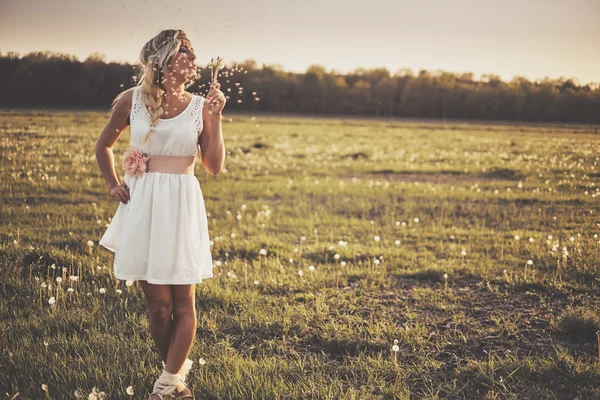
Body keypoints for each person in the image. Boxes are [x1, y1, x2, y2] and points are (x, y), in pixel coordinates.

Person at [94, 29, 226, 399]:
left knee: (183, 304)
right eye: (185, 52)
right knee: (158, 308)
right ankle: (177, 380)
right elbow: (103, 145)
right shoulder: (130, 100)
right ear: (165, 60)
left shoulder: (202, 105)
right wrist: (111, 183)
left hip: (182, 203)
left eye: (193, 52)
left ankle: (166, 385)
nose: (194, 58)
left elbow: (213, 166)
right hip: (144, 205)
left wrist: (215, 119)